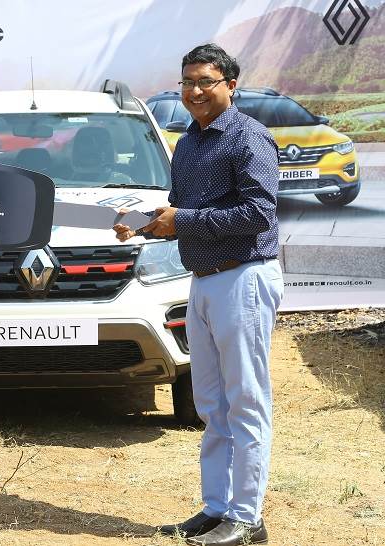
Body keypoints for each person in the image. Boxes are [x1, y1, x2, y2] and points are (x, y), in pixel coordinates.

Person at [114, 44, 283, 546]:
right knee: (211, 402)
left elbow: (259, 214)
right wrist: (142, 224)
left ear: (230, 85)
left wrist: (181, 221)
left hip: (244, 277)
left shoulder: (249, 136)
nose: (194, 90)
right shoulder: (188, 141)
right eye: (187, 81)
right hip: (204, 280)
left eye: (205, 81)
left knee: (245, 400)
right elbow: (180, 210)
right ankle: (217, 508)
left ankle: (248, 517)